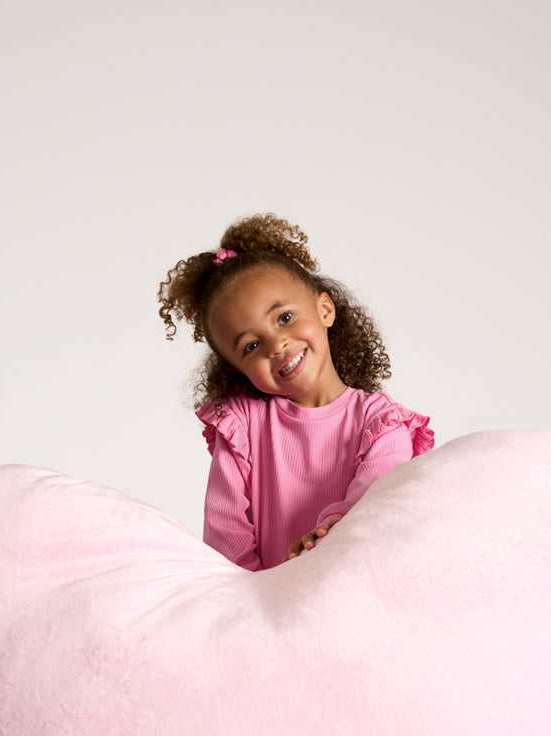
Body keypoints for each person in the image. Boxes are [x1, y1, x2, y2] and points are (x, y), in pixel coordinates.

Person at [158, 213, 434, 570]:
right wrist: (254, 604)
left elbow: (374, 502)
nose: (277, 345)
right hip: (264, 609)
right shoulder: (241, 426)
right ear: (238, 370)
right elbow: (226, 537)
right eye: (251, 346)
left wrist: (325, 534)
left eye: (284, 318)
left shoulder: (382, 423)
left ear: (325, 309)